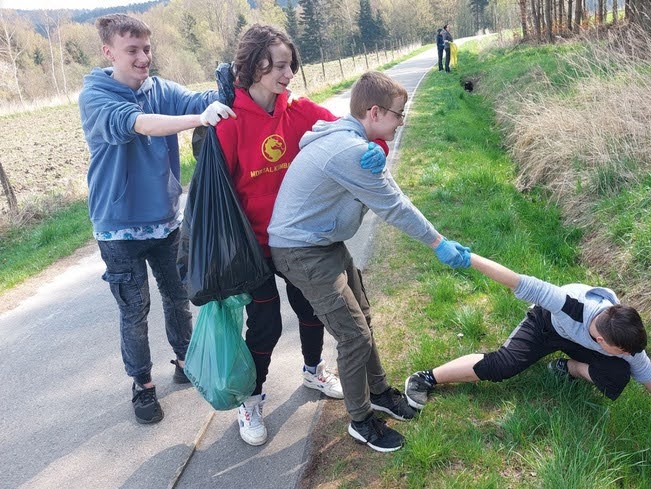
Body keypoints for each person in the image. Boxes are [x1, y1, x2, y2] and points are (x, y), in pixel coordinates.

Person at [268, 71, 473, 452]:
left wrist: (380, 155)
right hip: (301, 250)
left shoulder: (356, 142)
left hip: (323, 242)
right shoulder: (348, 151)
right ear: (374, 112)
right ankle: (361, 421)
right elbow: (393, 207)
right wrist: (438, 243)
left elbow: (391, 191)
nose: (401, 121)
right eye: (398, 114)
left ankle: (379, 392)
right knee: (354, 335)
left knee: (362, 315)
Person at [214, 24, 390, 446]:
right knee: (265, 325)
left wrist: (377, 151)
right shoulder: (228, 123)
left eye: (290, 64)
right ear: (253, 65)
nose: (288, 73)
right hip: (253, 247)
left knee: (312, 311)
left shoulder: (302, 111)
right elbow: (217, 196)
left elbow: (355, 135)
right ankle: (251, 400)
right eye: (278, 66)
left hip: (301, 242)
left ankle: (313, 371)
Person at [79, 14, 234, 424]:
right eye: (132, 50)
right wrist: (200, 119)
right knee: (135, 310)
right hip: (117, 228)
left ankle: (185, 360)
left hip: (165, 221)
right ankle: (143, 385)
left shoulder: (160, 89)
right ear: (109, 52)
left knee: (178, 296)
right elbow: (140, 124)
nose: (143, 57)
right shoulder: (96, 96)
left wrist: (230, 85)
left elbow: (198, 100)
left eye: (147, 49)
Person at [404, 253, 651, 436]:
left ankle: (566, 368)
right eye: (623, 352)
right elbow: (518, 282)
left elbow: (646, 374)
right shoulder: (569, 304)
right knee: (502, 366)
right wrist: (469, 258)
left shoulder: (622, 336)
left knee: (618, 375)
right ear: (602, 341)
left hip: (581, 343)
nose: (629, 355)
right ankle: (426, 378)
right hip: (546, 326)